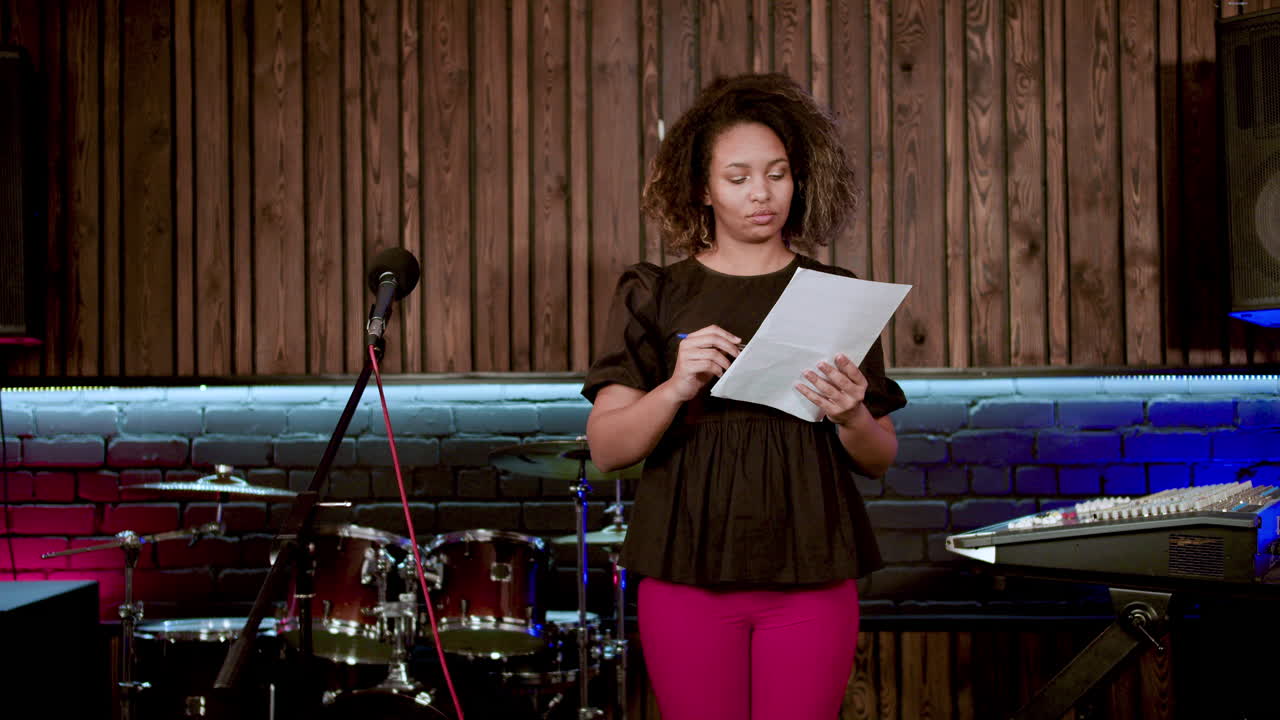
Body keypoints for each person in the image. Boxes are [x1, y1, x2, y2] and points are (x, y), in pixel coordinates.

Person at [581, 73, 907, 720]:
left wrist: (849, 414)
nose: (762, 193)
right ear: (702, 189)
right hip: (685, 575)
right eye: (738, 178)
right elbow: (606, 448)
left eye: (778, 174)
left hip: (813, 571)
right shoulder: (655, 293)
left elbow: (879, 457)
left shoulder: (836, 294)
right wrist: (675, 387)